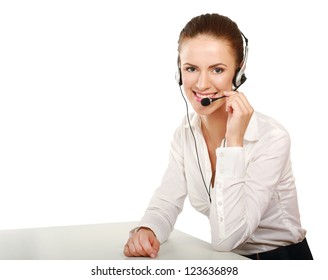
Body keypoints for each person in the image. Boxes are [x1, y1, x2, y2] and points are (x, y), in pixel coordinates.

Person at [123, 13, 313, 260]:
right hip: (229, 262)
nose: (202, 83)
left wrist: (234, 144)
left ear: (238, 73)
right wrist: (148, 229)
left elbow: (227, 238)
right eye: (191, 68)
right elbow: (167, 200)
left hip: (281, 260)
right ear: (179, 72)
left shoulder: (272, 137)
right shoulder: (186, 133)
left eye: (217, 69)